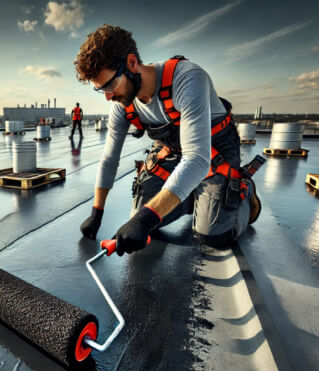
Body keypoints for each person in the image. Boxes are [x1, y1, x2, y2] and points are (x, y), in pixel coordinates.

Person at [74, 24, 261, 255]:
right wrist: (96, 212)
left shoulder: (187, 79)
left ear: (132, 64)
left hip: (212, 152)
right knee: (139, 217)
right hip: (173, 151)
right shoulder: (122, 103)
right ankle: (192, 196)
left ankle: (243, 192)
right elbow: (109, 159)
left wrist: (145, 220)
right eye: (100, 90)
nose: (108, 97)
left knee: (213, 234)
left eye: (110, 85)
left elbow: (198, 159)